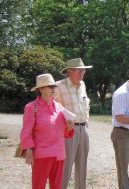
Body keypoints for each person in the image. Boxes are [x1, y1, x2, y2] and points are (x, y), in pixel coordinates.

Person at [20, 73, 75, 189]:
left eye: (54, 86)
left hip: (59, 153)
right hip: (42, 154)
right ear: (40, 89)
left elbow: (63, 131)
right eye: (50, 86)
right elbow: (26, 132)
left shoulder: (59, 107)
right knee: (38, 185)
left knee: (57, 186)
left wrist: (69, 127)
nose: (54, 89)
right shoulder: (31, 107)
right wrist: (29, 149)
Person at [56, 58, 92, 189]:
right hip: (68, 130)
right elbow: (52, 109)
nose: (82, 74)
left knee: (82, 166)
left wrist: (86, 118)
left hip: (83, 129)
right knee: (65, 166)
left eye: (84, 71)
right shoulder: (58, 86)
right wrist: (64, 123)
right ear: (69, 72)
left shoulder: (82, 85)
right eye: (79, 71)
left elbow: (86, 104)